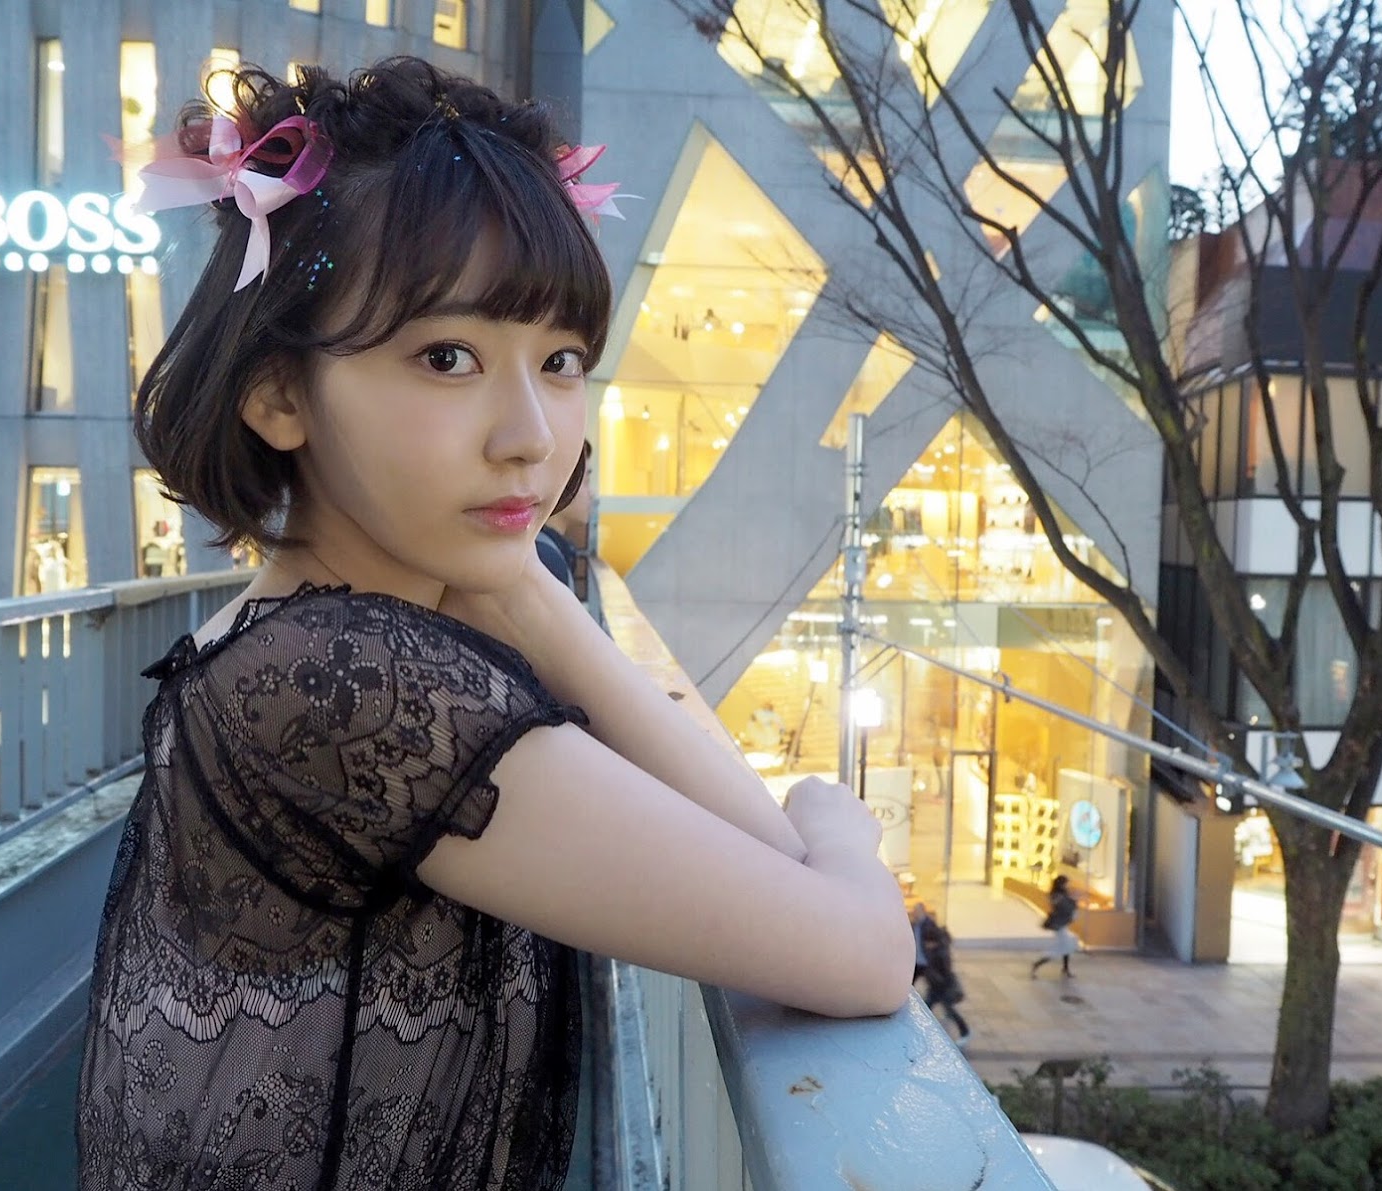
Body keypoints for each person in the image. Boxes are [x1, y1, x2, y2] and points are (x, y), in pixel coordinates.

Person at [75, 58, 913, 1191]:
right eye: (448, 358)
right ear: (278, 394)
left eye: (561, 362)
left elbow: (765, 870)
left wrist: (519, 585)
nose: (531, 436)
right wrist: (841, 828)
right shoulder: (348, 684)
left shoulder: (299, 635)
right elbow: (858, 952)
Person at [911, 902, 970, 1046]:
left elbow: (944, 967)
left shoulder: (939, 951)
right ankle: (920, 1032)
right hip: (933, 980)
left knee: (943, 1008)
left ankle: (965, 1032)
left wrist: (938, 977)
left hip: (940, 983)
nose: (925, 945)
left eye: (927, 942)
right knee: (931, 1006)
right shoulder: (933, 949)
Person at [535, 440, 590, 587]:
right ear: (564, 484)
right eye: (586, 481)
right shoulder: (546, 560)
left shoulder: (553, 550)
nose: (592, 494)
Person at [1032, 874, 1079, 979]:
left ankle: (1065, 969)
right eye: (1066, 883)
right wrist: (1074, 900)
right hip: (1059, 926)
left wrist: (1073, 900)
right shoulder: (1057, 895)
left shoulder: (1060, 894)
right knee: (1060, 949)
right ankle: (1037, 964)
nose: (1067, 885)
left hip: (1061, 925)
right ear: (1061, 884)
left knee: (1067, 947)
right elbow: (1064, 907)